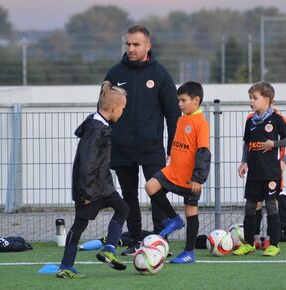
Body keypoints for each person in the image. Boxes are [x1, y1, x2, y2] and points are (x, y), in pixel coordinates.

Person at [104, 24, 181, 256]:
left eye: (136, 44)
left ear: (148, 46)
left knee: (156, 193)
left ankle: (159, 241)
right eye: (128, 44)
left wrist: (172, 148)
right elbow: (104, 112)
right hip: (121, 149)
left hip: (151, 149)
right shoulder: (115, 74)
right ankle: (136, 240)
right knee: (128, 197)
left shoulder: (160, 74)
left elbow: (173, 114)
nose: (131, 48)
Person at [56, 81, 129, 279]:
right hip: (89, 189)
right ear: (114, 109)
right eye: (122, 108)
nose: (122, 112)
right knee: (79, 224)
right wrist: (86, 193)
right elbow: (87, 164)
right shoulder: (96, 130)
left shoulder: (101, 125)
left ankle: (109, 249)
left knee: (123, 208)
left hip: (103, 186)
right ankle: (65, 266)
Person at [145, 81, 211, 264]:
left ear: (196, 100)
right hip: (173, 171)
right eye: (178, 100)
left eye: (183, 100)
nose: (179, 104)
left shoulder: (201, 123)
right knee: (150, 186)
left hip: (191, 178)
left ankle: (189, 252)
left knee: (191, 211)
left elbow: (203, 151)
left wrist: (198, 178)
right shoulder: (182, 119)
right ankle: (174, 219)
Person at [234, 81, 286, 257]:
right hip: (254, 172)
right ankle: (249, 244)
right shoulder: (250, 120)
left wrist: (277, 149)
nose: (251, 102)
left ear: (267, 100)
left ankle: (274, 245)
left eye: (255, 98)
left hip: (271, 172)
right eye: (250, 98)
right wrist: (243, 162)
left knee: (271, 207)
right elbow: (247, 144)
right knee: (249, 207)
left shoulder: (278, 119)